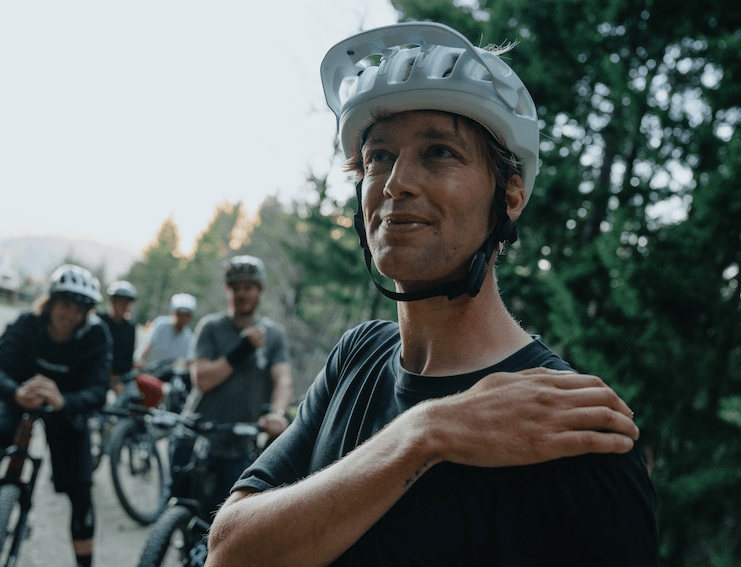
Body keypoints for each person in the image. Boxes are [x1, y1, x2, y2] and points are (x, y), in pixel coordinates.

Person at [206, 22, 657, 566]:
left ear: (510, 196)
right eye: (378, 157)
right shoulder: (358, 358)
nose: (396, 182)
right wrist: (429, 430)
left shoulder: (568, 425)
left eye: (439, 151)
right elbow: (230, 551)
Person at [0, 264, 112, 567]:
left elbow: (99, 391)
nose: (70, 315)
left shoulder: (96, 335)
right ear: (50, 302)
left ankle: (85, 562)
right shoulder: (27, 323)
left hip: (65, 409)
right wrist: (15, 392)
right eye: (65, 304)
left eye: (79, 309)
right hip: (19, 396)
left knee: (80, 489)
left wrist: (63, 400)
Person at [183, 255, 293, 514]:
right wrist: (242, 348)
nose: (241, 293)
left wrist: (277, 414)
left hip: (240, 443)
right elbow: (202, 380)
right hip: (197, 434)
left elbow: (283, 380)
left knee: (226, 516)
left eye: (248, 287)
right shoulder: (211, 327)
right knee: (179, 506)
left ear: (260, 290)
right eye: (235, 287)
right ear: (226, 290)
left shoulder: (274, 335)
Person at [138, 293, 197, 369]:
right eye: (180, 314)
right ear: (174, 313)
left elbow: (187, 364)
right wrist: (140, 362)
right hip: (149, 372)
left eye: (186, 315)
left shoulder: (190, 337)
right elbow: (146, 348)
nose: (183, 319)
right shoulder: (161, 324)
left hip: (170, 376)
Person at [99, 280, 139, 393]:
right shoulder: (100, 322)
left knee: (133, 395)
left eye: (127, 302)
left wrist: (118, 378)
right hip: (98, 373)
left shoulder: (130, 328)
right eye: (120, 302)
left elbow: (128, 359)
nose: (124, 306)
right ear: (112, 302)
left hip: (121, 377)